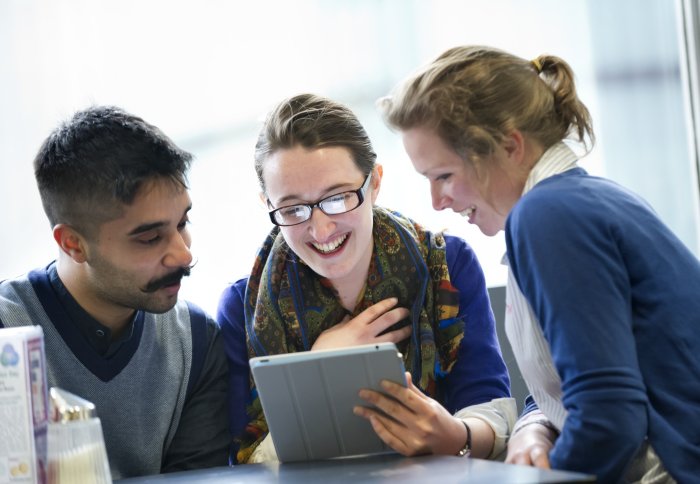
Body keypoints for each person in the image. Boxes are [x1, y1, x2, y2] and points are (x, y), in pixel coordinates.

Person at [379, 45, 700, 482]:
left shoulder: (549, 216)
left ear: (510, 146)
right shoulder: (575, 201)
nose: (438, 202)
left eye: (445, 176)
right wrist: (534, 426)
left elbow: (611, 415)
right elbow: (575, 380)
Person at [217, 93, 516, 464]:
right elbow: (238, 462)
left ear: (374, 182)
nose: (321, 229)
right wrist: (317, 370)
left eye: (338, 198)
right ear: (268, 205)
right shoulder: (241, 305)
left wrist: (454, 435)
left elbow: (491, 412)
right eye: (293, 209)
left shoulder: (448, 263)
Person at [0, 106, 231, 479]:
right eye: (151, 237)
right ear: (73, 243)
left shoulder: (198, 344)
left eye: (183, 223)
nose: (183, 253)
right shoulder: (6, 333)